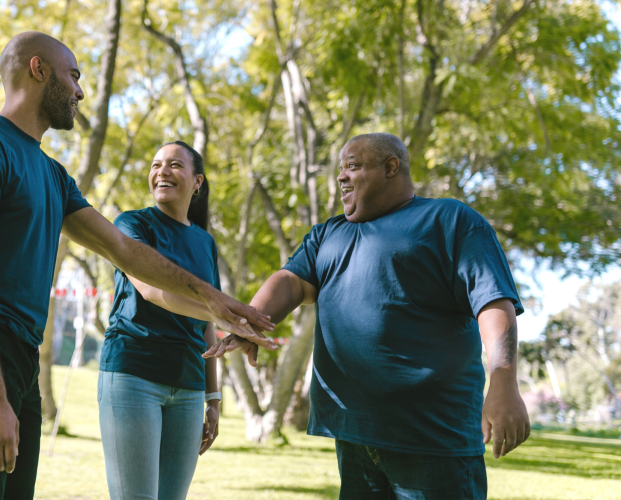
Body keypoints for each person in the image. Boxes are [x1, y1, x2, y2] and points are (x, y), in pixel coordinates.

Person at [0, 31, 276, 500]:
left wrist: (218, 301)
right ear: (39, 69)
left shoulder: (52, 174)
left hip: (19, 351)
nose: (81, 92)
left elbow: (125, 251)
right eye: (74, 76)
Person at [205, 133, 531, 499]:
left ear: (391, 167)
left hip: (432, 437)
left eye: (353, 166)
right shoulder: (329, 233)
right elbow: (291, 282)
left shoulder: (448, 220)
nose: (341, 177)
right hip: (354, 434)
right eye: (340, 169)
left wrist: (503, 383)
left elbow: (493, 302)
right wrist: (249, 322)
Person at [98, 140, 231, 499]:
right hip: (133, 376)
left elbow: (207, 326)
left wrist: (213, 397)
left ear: (197, 181)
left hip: (188, 387)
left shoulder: (205, 243)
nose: (161, 172)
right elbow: (152, 290)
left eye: (174, 165)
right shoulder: (131, 224)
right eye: (156, 165)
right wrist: (232, 316)